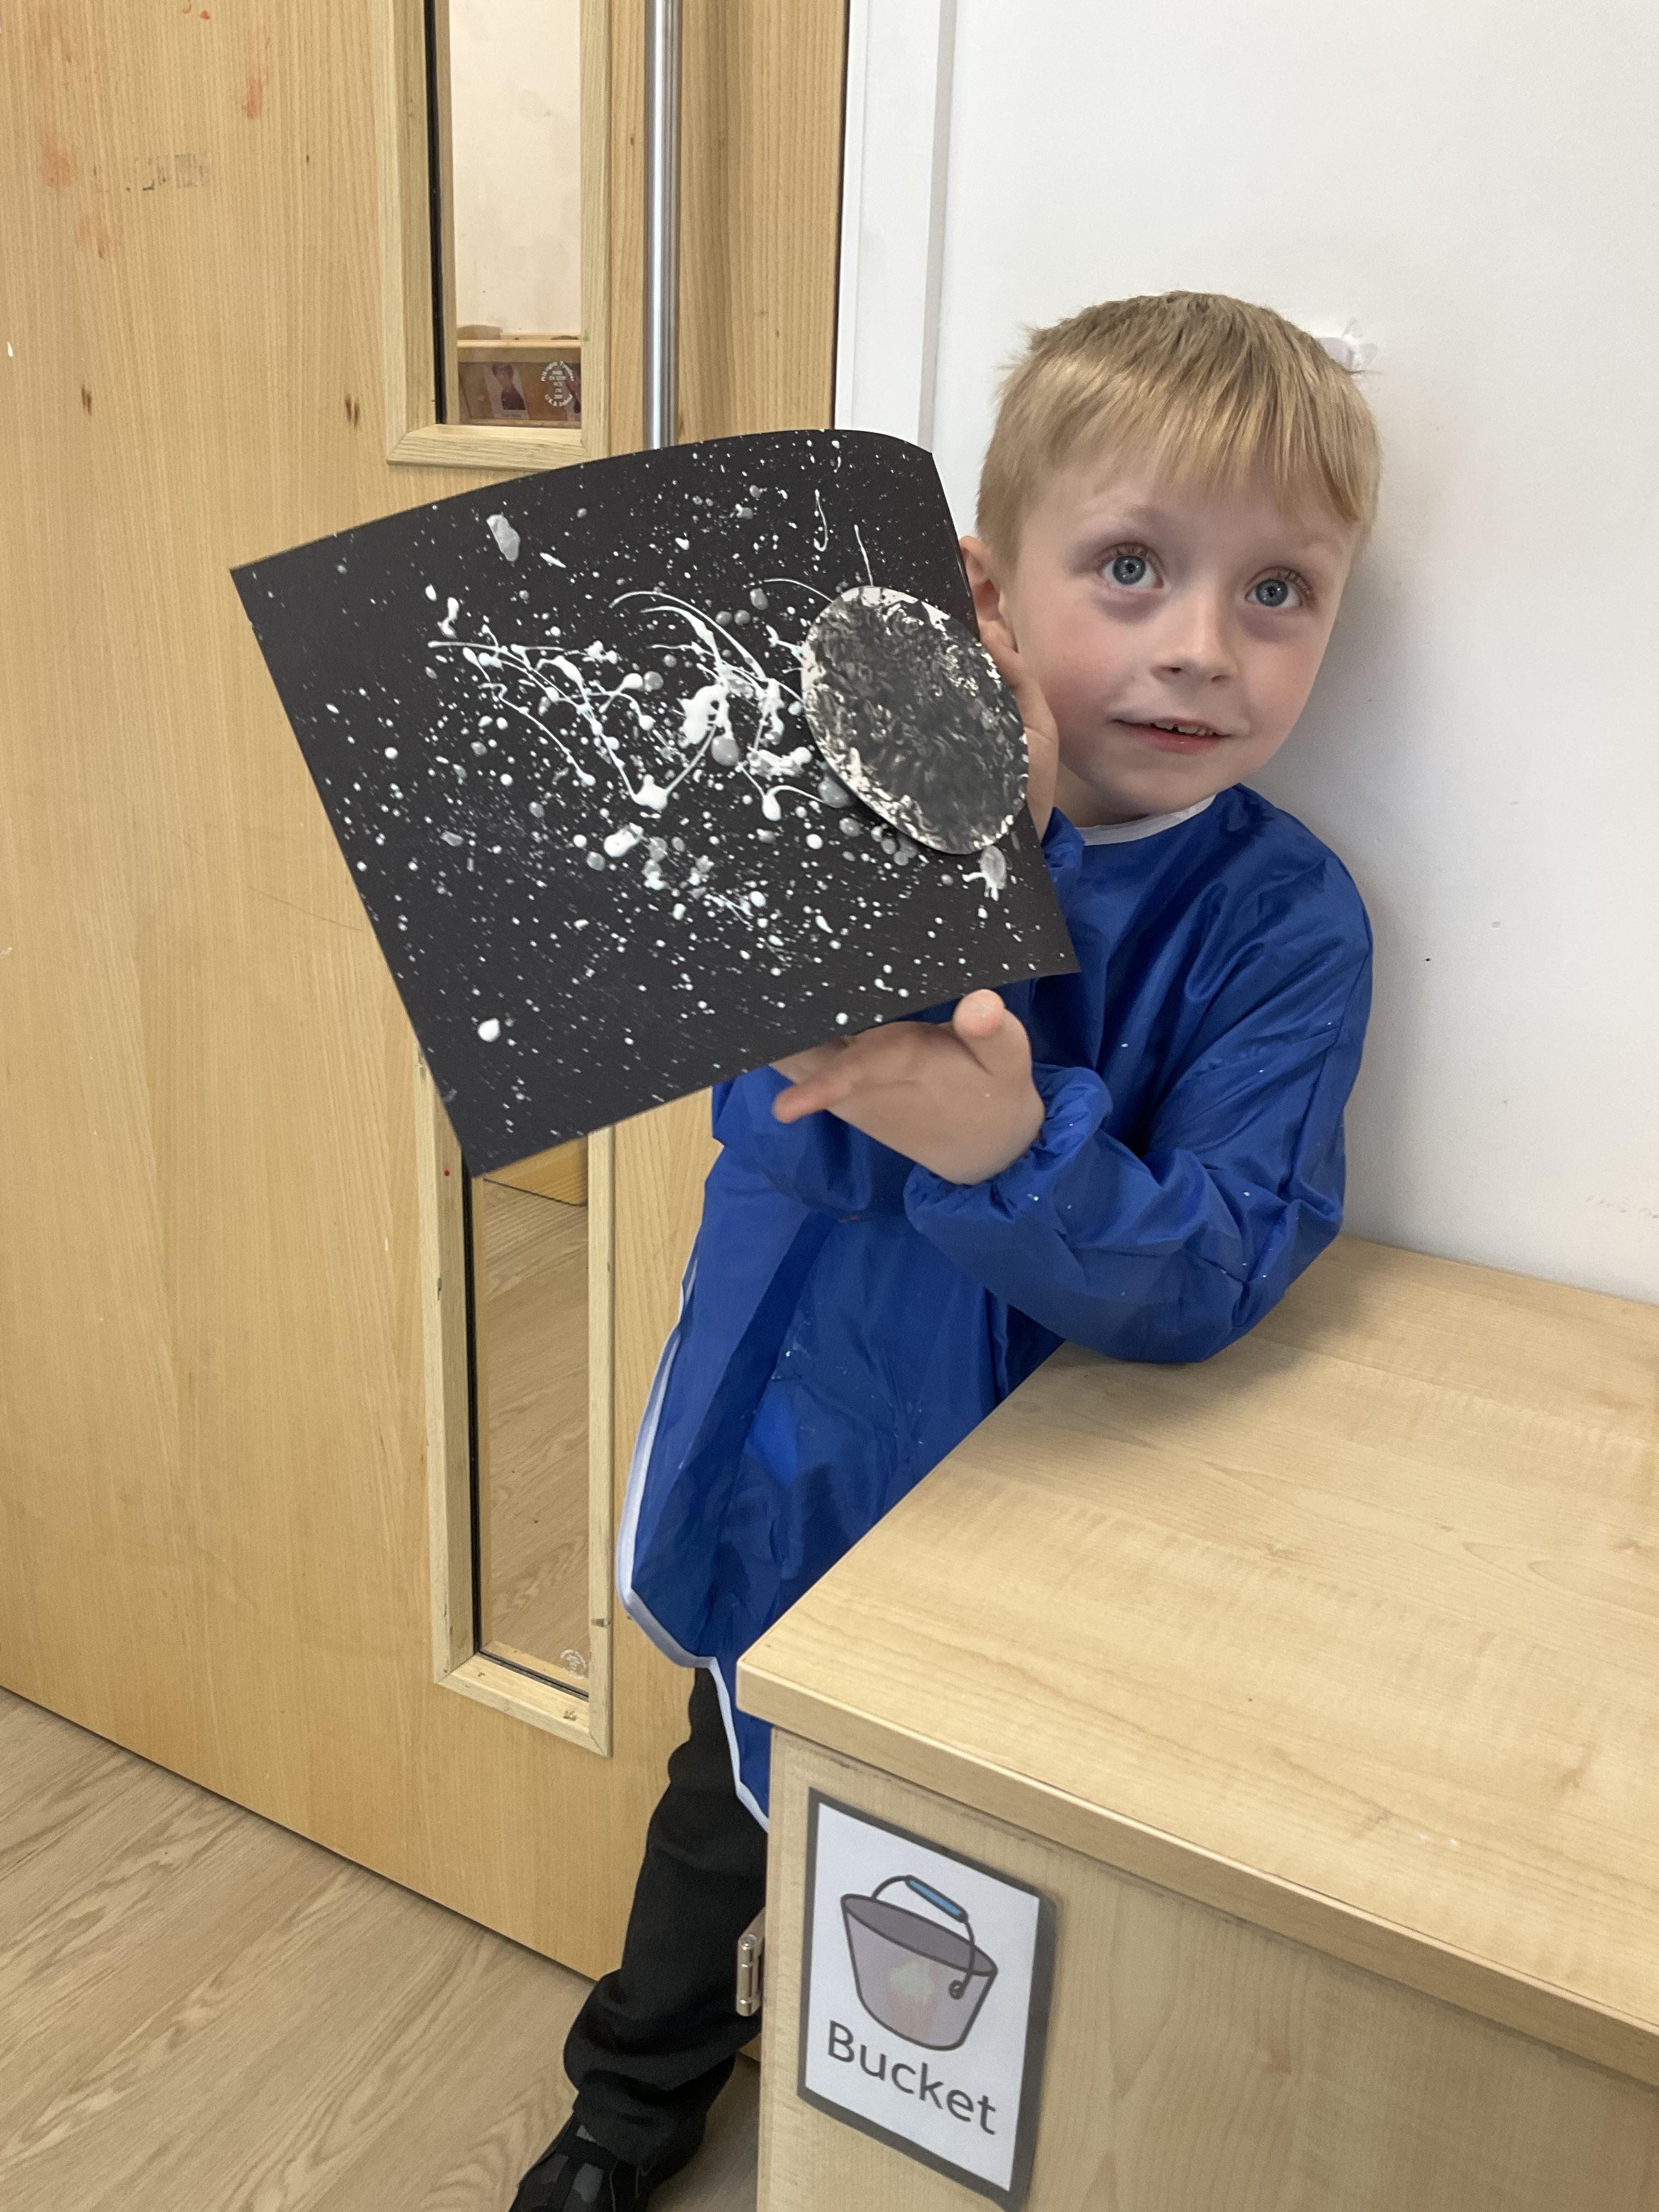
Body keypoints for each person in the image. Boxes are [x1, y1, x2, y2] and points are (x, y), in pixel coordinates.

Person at [510, 290, 1380, 2211]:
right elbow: (774, 1122)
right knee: (719, 1805)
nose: (1200, 644)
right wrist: (971, 863)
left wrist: (1014, 1150)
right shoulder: (846, 824)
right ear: (987, 589)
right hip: (797, 1427)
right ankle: (634, 2094)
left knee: (964, 1886)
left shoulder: (1286, 925)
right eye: (1133, 566)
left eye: (1277, 592)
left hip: (1039, 1510)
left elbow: (1218, 1264)